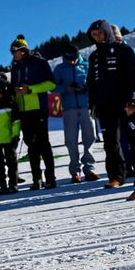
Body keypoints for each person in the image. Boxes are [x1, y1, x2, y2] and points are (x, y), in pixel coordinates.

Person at [87, 19, 135, 188]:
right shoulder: (93, 56)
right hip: (105, 107)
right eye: (94, 35)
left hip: (126, 105)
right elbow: (92, 83)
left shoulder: (124, 50)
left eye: (100, 33)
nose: (97, 37)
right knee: (111, 143)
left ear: (108, 32)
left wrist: (133, 101)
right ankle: (116, 177)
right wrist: (93, 105)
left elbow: (134, 78)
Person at [10, 34, 56, 190]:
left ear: (22, 50)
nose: (12, 54)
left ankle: (50, 178)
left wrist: (30, 89)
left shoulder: (39, 62)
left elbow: (51, 84)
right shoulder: (15, 67)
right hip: (24, 111)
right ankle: (37, 179)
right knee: (31, 146)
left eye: (14, 51)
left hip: (38, 109)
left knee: (43, 144)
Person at [52, 44, 98, 183]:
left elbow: (95, 83)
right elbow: (53, 87)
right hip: (69, 108)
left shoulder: (86, 66)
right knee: (71, 140)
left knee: (90, 138)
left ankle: (89, 169)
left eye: (74, 58)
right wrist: (66, 88)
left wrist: (86, 88)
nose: (72, 61)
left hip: (86, 106)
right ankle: (75, 171)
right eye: (69, 59)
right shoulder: (60, 69)